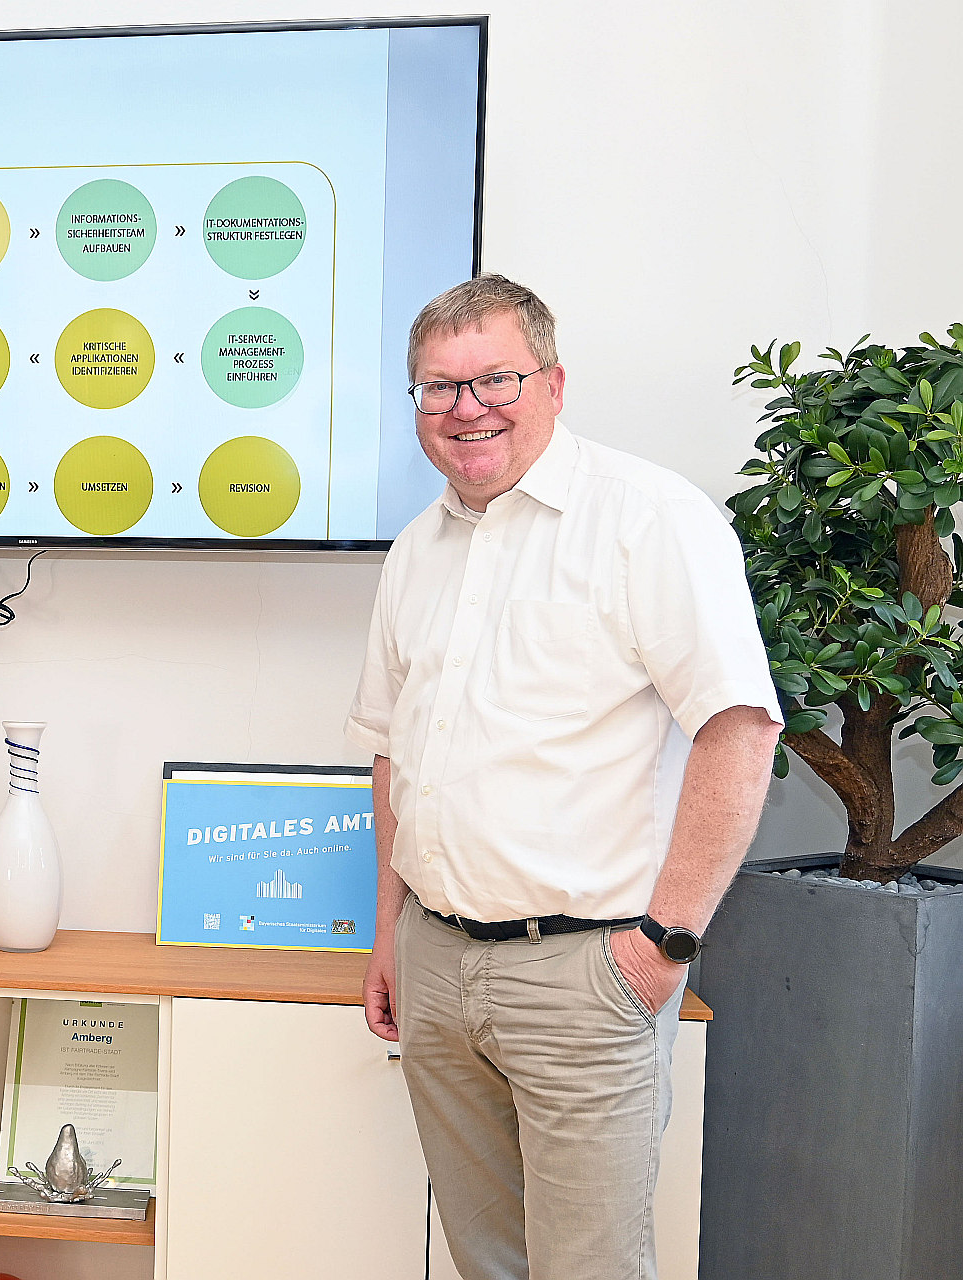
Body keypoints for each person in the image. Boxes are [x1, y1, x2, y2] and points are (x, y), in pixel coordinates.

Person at [346, 274, 783, 1280]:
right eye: (438, 388)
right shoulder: (417, 550)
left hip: (588, 973)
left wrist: (666, 941)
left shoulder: (649, 519)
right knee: (484, 1258)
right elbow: (392, 753)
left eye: (494, 377)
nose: (467, 408)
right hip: (438, 968)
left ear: (552, 382)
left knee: (586, 1266)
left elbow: (740, 729)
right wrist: (389, 936)